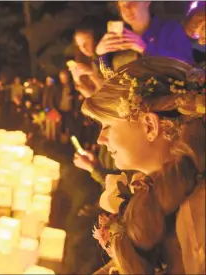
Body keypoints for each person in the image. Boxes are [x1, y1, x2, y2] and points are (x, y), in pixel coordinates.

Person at [81, 56, 205, 274]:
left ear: (150, 125)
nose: (100, 139)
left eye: (107, 126)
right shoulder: (151, 190)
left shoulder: (197, 214)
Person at [96, 1, 194, 79]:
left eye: (132, 3)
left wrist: (146, 48)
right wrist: (101, 54)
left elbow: (186, 66)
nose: (126, 10)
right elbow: (109, 78)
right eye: (121, 6)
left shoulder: (172, 29)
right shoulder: (117, 37)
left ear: (147, 2)